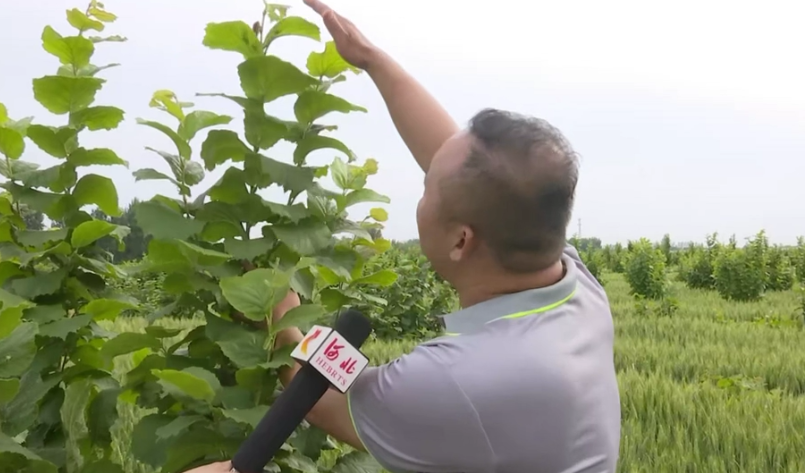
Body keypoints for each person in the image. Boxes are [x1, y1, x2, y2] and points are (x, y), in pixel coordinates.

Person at [190, 0, 621, 471]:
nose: (422, 188)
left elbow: (327, 399)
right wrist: (371, 59)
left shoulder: (458, 379)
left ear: (461, 241)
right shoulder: (574, 289)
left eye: (425, 188)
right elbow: (468, 174)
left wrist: (285, 322)